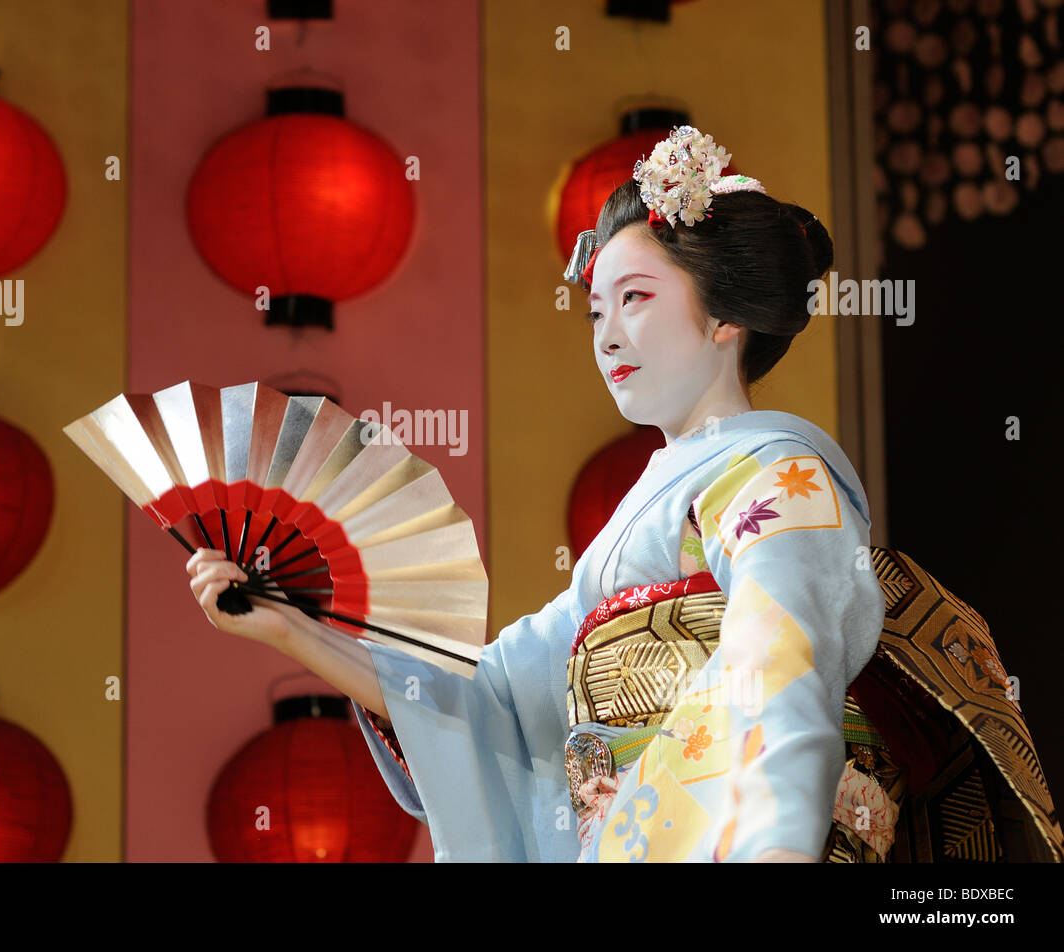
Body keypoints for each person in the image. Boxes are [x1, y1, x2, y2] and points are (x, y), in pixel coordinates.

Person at [183, 127, 1041, 862]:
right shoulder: (642, 520)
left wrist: (773, 837)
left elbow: (778, 657)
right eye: (596, 312)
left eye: (635, 300)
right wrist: (291, 627)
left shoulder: (780, 471)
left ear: (724, 319)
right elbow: (487, 701)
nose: (609, 336)